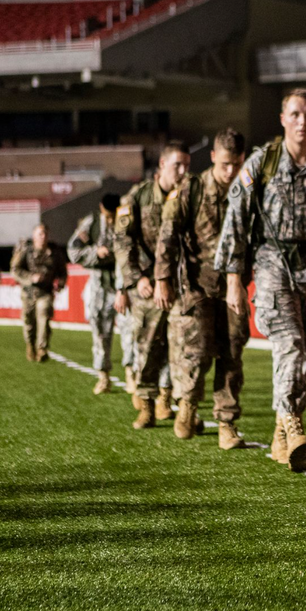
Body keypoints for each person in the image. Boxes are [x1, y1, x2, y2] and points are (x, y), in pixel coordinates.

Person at [216, 89, 306, 472]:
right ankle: (292, 424)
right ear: (282, 118)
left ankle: (279, 432)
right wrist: (233, 280)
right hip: (273, 262)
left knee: (305, 351)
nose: (302, 121)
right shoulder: (262, 163)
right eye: (295, 114)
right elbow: (236, 220)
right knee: (288, 342)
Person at [154, 128, 250, 449]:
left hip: (234, 287)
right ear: (212, 158)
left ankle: (226, 422)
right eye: (225, 164)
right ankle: (188, 406)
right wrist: (162, 279)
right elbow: (167, 235)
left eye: (236, 164)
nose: (230, 171)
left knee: (232, 353)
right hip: (197, 286)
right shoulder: (191, 189)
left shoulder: (248, 190)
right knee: (196, 352)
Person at [115, 141, 191, 429]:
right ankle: (145, 403)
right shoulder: (138, 197)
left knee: (182, 347)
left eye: (187, 165)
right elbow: (122, 241)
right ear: (162, 166)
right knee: (147, 347)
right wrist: (137, 278)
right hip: (147, 286)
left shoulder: (189, 195)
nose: (183, 172)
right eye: (177, 166)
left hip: (182, 284)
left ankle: (170, 399)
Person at [67, 193, 121, 394]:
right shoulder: (91, 224)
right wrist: (95, 253)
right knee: (100, 332)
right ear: (101, 209)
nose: (110, 220)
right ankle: (103, 377)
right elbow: (73, 252)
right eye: (107, 215)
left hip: (125, 284)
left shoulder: (126, 218)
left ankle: (134, 375)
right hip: (100, 285)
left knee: (132, 332)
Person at [11, 224, 68, 362]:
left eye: (45, 234)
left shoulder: (55, 253)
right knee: (29, 322)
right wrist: (31, 277)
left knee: (44, 316)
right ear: (34, 236)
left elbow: (63, 272)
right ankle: (30, 344)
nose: (43, 237)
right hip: (28, 293)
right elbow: (15, 270)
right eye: (40, 234)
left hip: (45, 292)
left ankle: (42, 348)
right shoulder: (26, 250)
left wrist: (60, 283)